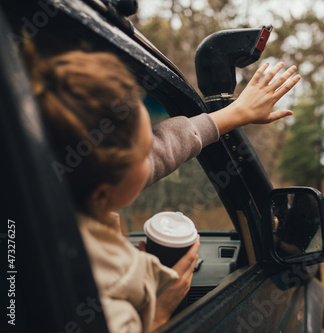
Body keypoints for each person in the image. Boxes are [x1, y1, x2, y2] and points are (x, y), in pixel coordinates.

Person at [31, 50, 300, 332]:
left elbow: (162, 149)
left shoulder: (44, 188)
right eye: (146, 147)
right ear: (101, 195)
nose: (155, 151)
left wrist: (235, 114)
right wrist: (159, 312)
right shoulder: (107, 295)